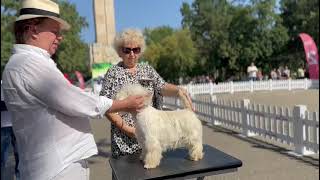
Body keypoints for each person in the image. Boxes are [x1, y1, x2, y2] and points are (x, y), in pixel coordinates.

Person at [1, 1, 144, 180]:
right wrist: (124, 104)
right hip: (58, 167)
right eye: (54, 31)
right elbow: (74, 100)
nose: (60, 37)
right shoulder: (29, 64)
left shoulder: (24, 63)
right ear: (33, 30)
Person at [99, 28, 193, 159]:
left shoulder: (147, 69)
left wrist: (178, 90)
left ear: (140, 51)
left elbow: (162, 86)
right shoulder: (113, 73)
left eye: (136, 50)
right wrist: (127, 129)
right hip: (124, 142)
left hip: (151, 140)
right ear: (120, 52)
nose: (132, 54)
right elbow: (105, 105)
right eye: (127, 50)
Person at [1, 81, 20, 180]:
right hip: (4, 126)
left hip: (17, 125)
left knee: (20, 157)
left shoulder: (15, 84)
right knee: (2, 158)